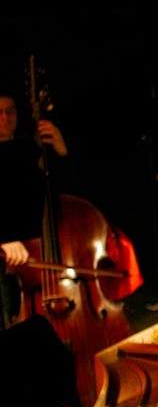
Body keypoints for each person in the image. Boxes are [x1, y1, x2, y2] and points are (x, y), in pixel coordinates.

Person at [0, 92, 68, 327]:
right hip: (8, 268)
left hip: (38, 258)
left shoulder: (27, 151)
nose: (5, 117)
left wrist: (61, 150)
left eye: (10, 111)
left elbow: (61, 193)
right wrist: (3, 238)